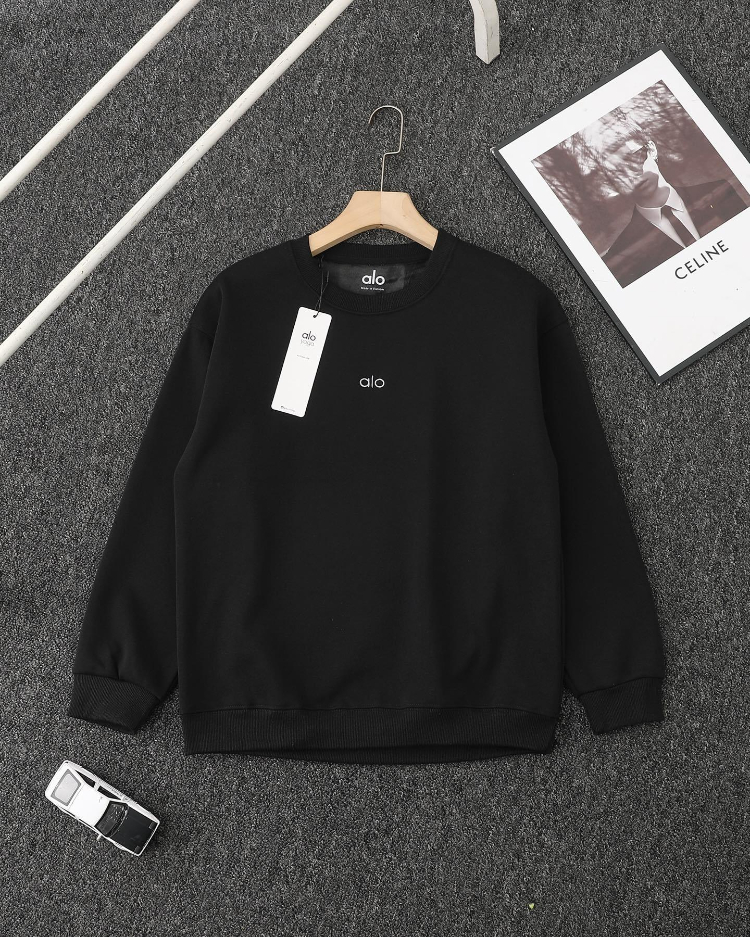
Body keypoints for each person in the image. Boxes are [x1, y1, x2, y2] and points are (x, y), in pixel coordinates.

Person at [600, 133, 747, 287]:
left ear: (652, 151)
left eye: (634, 159)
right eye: (616, 173)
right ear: (611, 188)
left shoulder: (721, 192)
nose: (632, 175)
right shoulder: (620, 257)